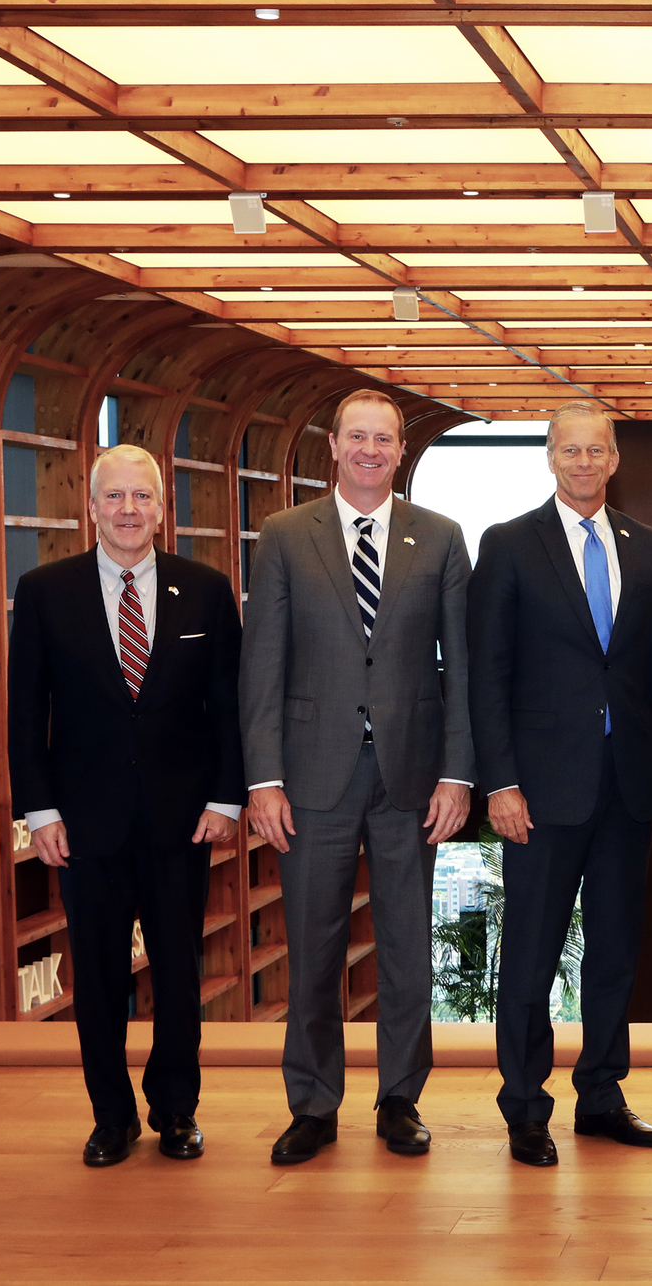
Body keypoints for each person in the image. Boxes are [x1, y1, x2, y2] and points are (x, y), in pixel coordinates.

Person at [240, 390, 475, 1166]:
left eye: (385, 439)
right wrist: (263, 777)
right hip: (311, 777)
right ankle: (312, 1103)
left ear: (399, 451)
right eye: (358, 438)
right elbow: (262, 663)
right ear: (332, 445)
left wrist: (459, 775)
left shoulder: (439, 538)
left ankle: (400, 1099)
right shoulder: (283, 535)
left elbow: (462, 671)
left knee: (408, 948)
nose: (371, 450)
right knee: (313, 945)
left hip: (412, 776)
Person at [6, 445, 245, 1167]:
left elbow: (228, 707)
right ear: (92, 506)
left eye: (143, 497)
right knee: (100, 976)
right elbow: (24, 714)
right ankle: (110, 1118)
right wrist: (40, 813)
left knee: (178, 972)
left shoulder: (205, 589)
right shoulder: (47, 590)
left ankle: (176, 1111)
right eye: (116, 497)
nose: (130, 510)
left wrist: (226, 796)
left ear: (162, 508)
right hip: (84, 823)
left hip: (183, 817)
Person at [468, 400, 652, 1168]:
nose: (585, 463)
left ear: (615, 458)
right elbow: (486, 673)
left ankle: (602, 1096)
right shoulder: (509, 545)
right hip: (540, 791)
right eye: (571, 450)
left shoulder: (649, 548)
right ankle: (525, 1106)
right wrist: (500, 782)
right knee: (529, 954)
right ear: (549, 457)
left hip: (628, 786)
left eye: (598, 451)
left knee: (616, 952)